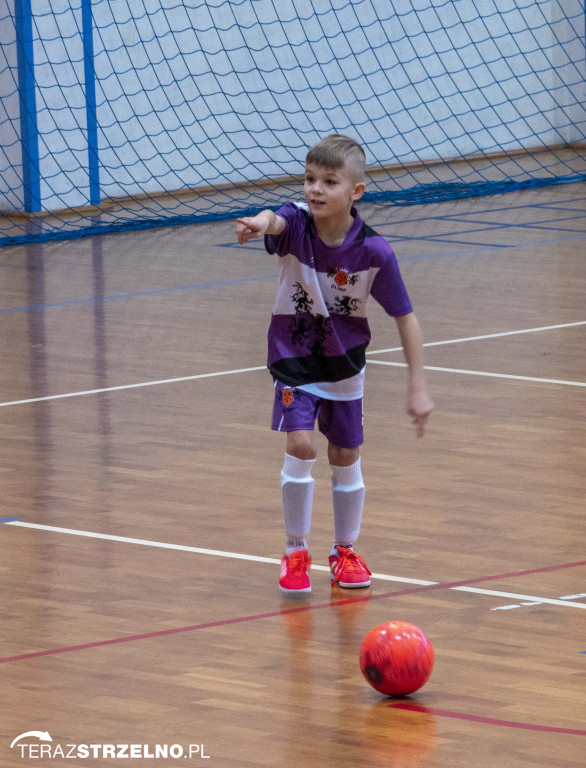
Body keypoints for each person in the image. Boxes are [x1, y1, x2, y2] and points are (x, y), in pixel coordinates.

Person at [236, 134, 434, 594]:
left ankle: (344, 551)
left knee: (344, 454)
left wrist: (418, 385)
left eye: (329, 181)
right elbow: (274, 219)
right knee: (302, 444)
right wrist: (259, 224)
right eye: (309, 179)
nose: (315, 189)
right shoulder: (296, 224)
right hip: (293, 361)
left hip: (344, 366)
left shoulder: (373, 252)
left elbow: (405, 318)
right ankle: (295, 550)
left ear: (356, 191)